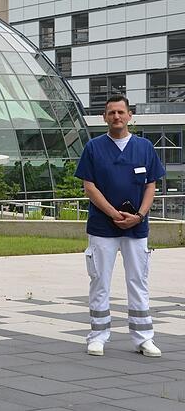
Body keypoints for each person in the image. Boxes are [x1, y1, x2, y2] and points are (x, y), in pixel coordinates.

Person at [75, 94, 165, 358]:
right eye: (111, 112)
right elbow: (89, 187)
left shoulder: (145, 147)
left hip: (137, 227)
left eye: (121, 112)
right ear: (104, 117)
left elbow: (151, 185)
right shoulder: (93, 148)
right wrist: (114, 213)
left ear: (130, 115)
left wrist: (139, 215)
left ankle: (143, 338)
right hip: (103, 225)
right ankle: (98, 335)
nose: (116, 117)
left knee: (138, 280)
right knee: (99, 280)